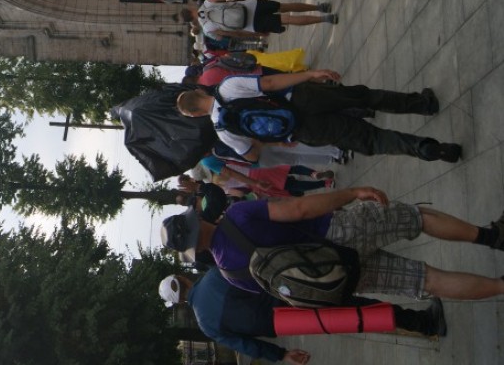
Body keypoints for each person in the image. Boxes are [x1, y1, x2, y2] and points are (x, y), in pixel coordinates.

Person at [161, 187, 504, 303]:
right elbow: (299, 209)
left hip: (333, 275)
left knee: (427, 280)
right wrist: (351, 193)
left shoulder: (229, 272)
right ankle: (492, 237)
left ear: (195, 249)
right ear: (197, 219)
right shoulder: (237, 215)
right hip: (339, 232)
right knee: (417, 218)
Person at [158, 270, 445, 365]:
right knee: (354, 305)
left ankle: (422, 324)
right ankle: (425, 322)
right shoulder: (214, 275)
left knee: (354, 317)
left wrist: (282, 355)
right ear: (183, 279)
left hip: (284, 323)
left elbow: (246, 346)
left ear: (179, 301)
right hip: (290, 295)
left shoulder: (207, 326)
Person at [176, 68, 462, 163]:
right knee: (364, 97)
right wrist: (310, 74)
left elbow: (252, 155)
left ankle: (428, 148)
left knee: (371, 139)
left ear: (195, 114)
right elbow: (271, 83)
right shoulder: (227, 87)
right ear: (198, 92)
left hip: (301, 130)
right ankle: (423, 104)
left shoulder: (222, 132)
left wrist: (269, 137)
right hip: (303, 97)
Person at [180, 0, 336, 42]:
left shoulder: (207, 30)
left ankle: (325, 19)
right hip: (252, 6)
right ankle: (319, 7)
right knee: (285, 6)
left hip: (251, 25)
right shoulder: (207, 3)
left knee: (288, 20)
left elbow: (233, 34)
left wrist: (257, 35)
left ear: (191, 20)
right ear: (191, 9)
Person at [198, 154, 333, 198]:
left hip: (254, 181)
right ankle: (313, 173)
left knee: (292, 185)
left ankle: (324, 184)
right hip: (257, 168)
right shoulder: (218, 158)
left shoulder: (219, 185)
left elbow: (239, 193)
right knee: (290, 168)